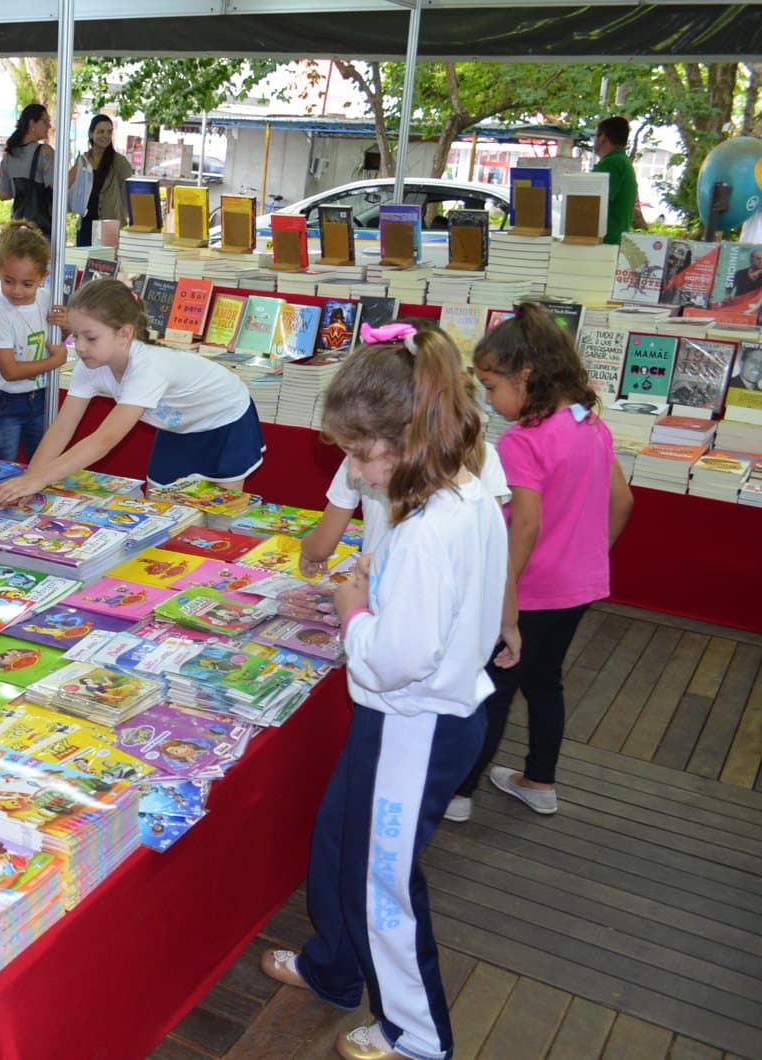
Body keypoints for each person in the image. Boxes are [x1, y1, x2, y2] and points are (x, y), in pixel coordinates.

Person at [259, 320, 506, 1060]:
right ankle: (336, 966)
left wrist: (354, 611)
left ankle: (418, 1034)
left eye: (365, 457)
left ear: (412, 437)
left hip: (416, 722)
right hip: (406, 719)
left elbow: (393, 659)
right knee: (339, 837)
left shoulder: (431, 526)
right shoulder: (457, 492)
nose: (360, 475)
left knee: (384, 884)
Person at [451, 304, 634, 820]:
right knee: (545, 680)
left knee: (494, 690)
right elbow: (623, 501)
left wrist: (504, 602)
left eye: (491, 386)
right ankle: (539, 780)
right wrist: (589, 558)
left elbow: (525, 524)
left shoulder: (522, 441)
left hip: (529, 590)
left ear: (525, 376)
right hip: (580, 586)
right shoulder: (588, 423)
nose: (487, 401)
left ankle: (459, 793)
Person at [0, 278, 264, 505]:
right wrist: (30, 480)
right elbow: (62, 429)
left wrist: (38, 480)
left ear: (124, 334)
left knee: (221, 513)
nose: (80, 346)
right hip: (179, 428)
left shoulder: (148, 366)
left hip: (228, 421)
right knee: (162, 509)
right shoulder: (89, 364)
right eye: (75, 335)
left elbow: (104, 440)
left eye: (91, 337)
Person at [301, 324, 512, 565]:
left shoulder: (414, 538)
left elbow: (322, 547)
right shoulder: (479, 492)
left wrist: (354, 602)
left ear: (404, 438)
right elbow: (497, 569)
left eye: (356, 454)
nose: (354, 470)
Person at [0, 221, 69, 463]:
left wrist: (66, 326)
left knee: (40, 464)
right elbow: (9, 371)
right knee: (3, 471)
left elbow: (56, 339)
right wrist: (55, 362)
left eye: (27, 284)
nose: (17, 291)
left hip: (38, 397)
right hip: (3, 401)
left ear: (43, 278)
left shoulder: (47, 298)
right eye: (9, 281)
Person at [69, 114, 134, 247]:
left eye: (109, 132)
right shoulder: (83, 160)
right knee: (83, 262)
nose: (105, 136)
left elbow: (128, 193)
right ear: (91, 134)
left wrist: (122, 216)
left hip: (110, 225)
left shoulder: (119, 162)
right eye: (101, 131)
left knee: (105, 264)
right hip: (86, 223)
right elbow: (71, 187)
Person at [0, 104, 55, 233]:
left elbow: (3, 194)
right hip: (41, 229)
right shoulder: (45, 151)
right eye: (45, 121)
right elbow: (56, 187)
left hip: (17, 226)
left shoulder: (8, 155)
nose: (49, 126)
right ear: (32, 123)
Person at [592, 116, 638, 246]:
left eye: (595, 136)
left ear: (602, 138)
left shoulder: (612, 163)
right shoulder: (622, 161)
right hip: (614, 241)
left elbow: (594, 203)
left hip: (605, 242)